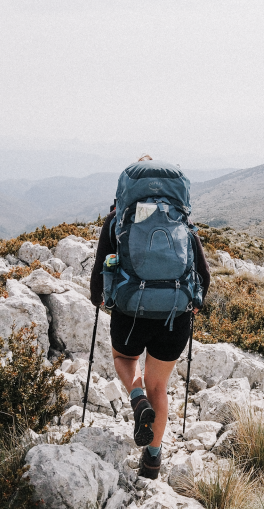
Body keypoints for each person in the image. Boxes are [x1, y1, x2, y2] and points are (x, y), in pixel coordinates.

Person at [90, 155, 210, 479]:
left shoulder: (118, 219)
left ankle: (136, 397)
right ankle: (153, 460)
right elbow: (204, 276)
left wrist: (99, 299)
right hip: (174, 316)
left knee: (124, 359)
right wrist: (194, 303)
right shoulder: (181, 221)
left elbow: (99, 273)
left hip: (131, 312)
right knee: (161, 385)